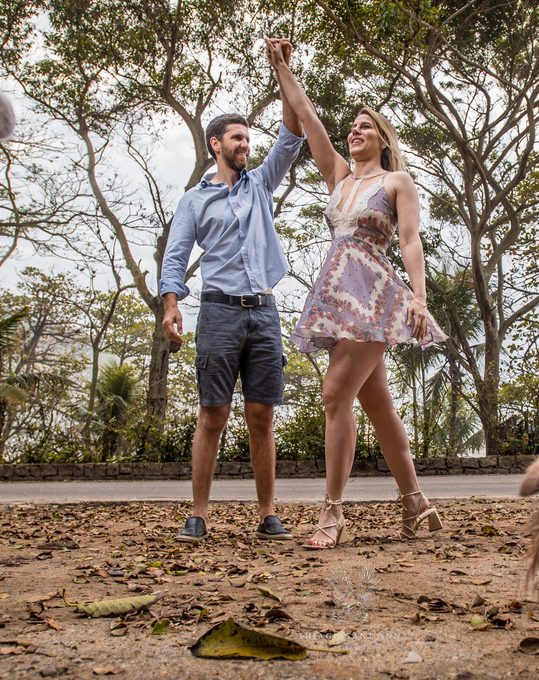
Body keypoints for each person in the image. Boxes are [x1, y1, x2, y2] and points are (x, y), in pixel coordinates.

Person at [265, 38, 448, 549]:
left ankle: (333, 512)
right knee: (379, 406)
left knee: (333, 395)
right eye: (353, 127)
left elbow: (410, 241)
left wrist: (419, 298)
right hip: (335, 294)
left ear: (382, 138)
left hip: (374, 298)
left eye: (366, 126)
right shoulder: (339, 179)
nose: (355, 131)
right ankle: (415, 503)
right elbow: (307, 118)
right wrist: (282, 69)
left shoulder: (397, 181)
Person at [159, 44, 303, 544]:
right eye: (238, 138)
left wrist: (280, 70)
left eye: (248, 138)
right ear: (216, 144)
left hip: (263, 314)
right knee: (213, 414)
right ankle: (198, 512)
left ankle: (267, 514)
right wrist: (172, 304)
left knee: (261, 415)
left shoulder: (261, 184)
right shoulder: (194, 200)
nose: (247, 144)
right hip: (218, 314)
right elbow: (176, 255)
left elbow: (293, 133)